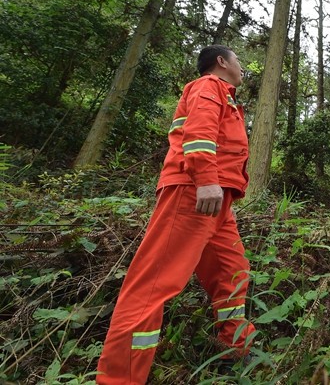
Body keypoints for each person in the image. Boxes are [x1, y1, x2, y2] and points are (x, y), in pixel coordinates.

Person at [97, 45, 256, 384]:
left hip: (217, 200)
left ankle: (235, 350)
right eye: (238, 61)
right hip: (194, 192)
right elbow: (198, 135)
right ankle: (119, 378)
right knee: (154, 284)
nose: (242, 68)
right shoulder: (207, 86)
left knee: (233, 272)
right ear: (222, 62)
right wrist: (206, 179)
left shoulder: (228, 97)